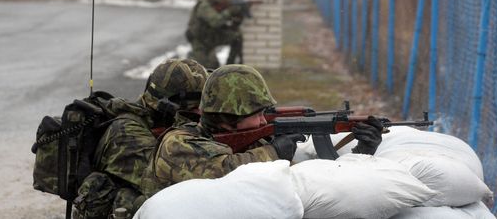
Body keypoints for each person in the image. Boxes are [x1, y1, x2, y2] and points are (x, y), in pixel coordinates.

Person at [141, 64, 384, 197]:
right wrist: (274, 152)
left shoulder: (252, 144)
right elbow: (223, 171)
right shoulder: (178, 143)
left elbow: (310, 185)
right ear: (226, 116)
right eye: (254, 114)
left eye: (264, 112)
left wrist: (362, 152)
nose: (261, 121)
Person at [73, 58, 208, 219]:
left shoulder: (156, 123)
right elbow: (172, 182)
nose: (199, 115)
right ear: (168, 106)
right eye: (194, 109)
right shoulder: (127, 133)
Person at [186, 0, 243, 69]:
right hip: (200, 41)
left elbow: (225, 23)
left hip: (211, 39)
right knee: (200, 67)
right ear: (219, 0)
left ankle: (229, 66)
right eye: (225, 3)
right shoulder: (204, 6)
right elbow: (215, 21)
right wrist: (229, 11)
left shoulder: (218, 7)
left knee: (236, 37)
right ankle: (190, 58)